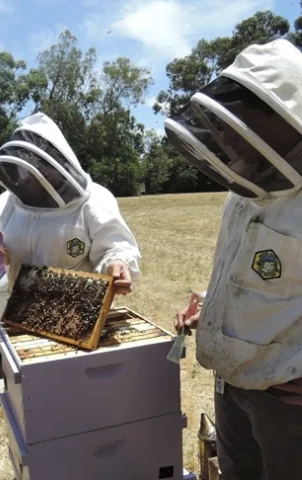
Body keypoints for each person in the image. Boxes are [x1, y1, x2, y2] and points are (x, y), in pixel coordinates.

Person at [165, 39, 302, 480]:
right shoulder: (242, 192)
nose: (232, 141)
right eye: (228, 128)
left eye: (247, 128)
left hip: (286, 402)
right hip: (229, 383)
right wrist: (213, 301)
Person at [0, 112, 141, 295]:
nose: (38, 177)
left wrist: (117, 263)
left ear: (60, 163)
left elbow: (116, 247)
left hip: (77, 310)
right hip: (21, 310)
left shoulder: (96, 200)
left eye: (44, 168)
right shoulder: (7, 201)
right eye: (32, 169)